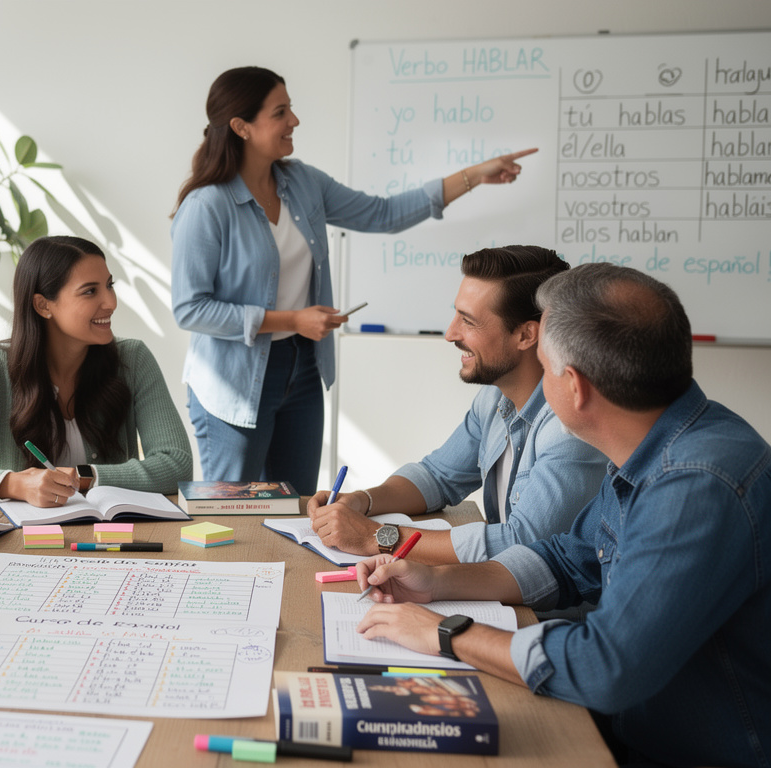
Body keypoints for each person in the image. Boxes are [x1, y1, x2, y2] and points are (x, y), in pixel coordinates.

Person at [352, 263, 771, 767]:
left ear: (573, 386)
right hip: (634, 726)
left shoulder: (696, 486)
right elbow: (568, 560)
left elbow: (605, 667)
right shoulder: (658, 445)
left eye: (544, 368)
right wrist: (437, 582)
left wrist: (446, 633)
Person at [171, 66, 537, 495]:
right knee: (233, 516)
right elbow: (190, 308)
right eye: (280, 112)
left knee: (296, 507)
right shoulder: (206, 206)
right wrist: (292, 319)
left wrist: (475, 175)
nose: (295, 121)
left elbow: (383, 213)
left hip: (302, 370)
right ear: (241, 127)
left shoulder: (301, 182)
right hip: (234, 382)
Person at [307, 246, 608, 565]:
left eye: (468, 321)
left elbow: (521, 544)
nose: (450, 334)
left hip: (544, 612)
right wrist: (361, 501)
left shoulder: (569, 428)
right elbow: (437, 476)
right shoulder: (495, 397)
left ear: (525, 335)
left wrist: (376, 537)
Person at [0, 235, 192, 506]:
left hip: (113, 535)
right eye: (90, 291)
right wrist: (16, 484)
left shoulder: (133, 359)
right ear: (43, 305)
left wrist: (85, 476)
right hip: (22, 538)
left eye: (109, 286)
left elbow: (176, 464)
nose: (110, 302)